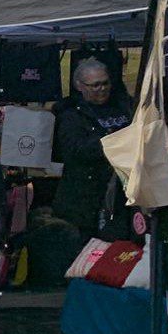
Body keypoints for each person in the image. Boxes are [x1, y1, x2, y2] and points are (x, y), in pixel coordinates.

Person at [53, 58, 133, 237]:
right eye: (95, 85)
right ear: (80, 86)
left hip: (124, 193)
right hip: (87, 200)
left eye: (105, 83)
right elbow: (75, 150)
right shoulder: (71, 115)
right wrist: (115, 142)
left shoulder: (124, 105)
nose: (102, 89)